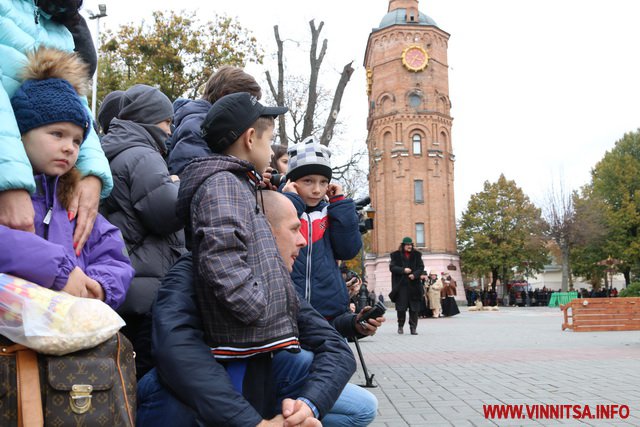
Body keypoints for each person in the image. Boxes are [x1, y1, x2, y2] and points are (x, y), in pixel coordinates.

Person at [138, 191, 373, 426]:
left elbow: (336, 349)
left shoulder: (276, 281)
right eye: (293, 229)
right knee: (174, 384)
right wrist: (252, 423)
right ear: (263, 232)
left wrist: (306, 406)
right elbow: (177, 353)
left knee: (355, 402)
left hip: (249, 387)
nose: (303, 240)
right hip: (182, 397)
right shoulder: (191, 270)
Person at [0, 47, 132, 308]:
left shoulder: (73, 198)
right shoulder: (9, 199)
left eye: (77, 140)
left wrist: (99, 287)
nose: (70, 147)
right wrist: (60, 271)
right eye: (57, 134)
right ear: (21, 134)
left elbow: (113, 254)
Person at [0, 0, 113, 257]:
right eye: (58, 136)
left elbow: (75, 108)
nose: (68, 147)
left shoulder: (61, 28)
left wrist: (91, 172)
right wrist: (9, 181)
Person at [100, 84, 185, 378]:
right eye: (167, 121)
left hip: (124, 282)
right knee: (148, 376)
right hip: (147, 291)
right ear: (150, 120)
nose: (171, 130)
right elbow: (166, 213)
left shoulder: (112, 151)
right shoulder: (143, 155)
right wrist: (178, 186)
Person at [282, 137, 363, 322]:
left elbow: (348, 250)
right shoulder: (278, 205)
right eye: (308, 181)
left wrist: (340, 205)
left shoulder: (331, 213)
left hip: (328, 309)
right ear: (292, 182)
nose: (317, 190)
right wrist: (291, 201)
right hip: (287, 307)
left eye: (323, 182)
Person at [167, 66, 262, 175]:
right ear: (225, 96)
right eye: (247, 104)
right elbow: (191, 177)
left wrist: (254, 176)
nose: (250, 112)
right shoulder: (198, 128)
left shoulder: (213, 127)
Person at [389, 237, 425, 334]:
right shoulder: (395, 255)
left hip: (414, 286)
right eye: (407, 245)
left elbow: (421, 267)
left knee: (414, 309)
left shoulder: (417, 255)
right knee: (401, 308)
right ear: (403, 245)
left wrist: (415, 275)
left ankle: (413, 328)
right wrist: (403, 270)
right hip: (401, 287)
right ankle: (400, 326)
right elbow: (392, 267)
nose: (410, 246)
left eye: (411, 245)